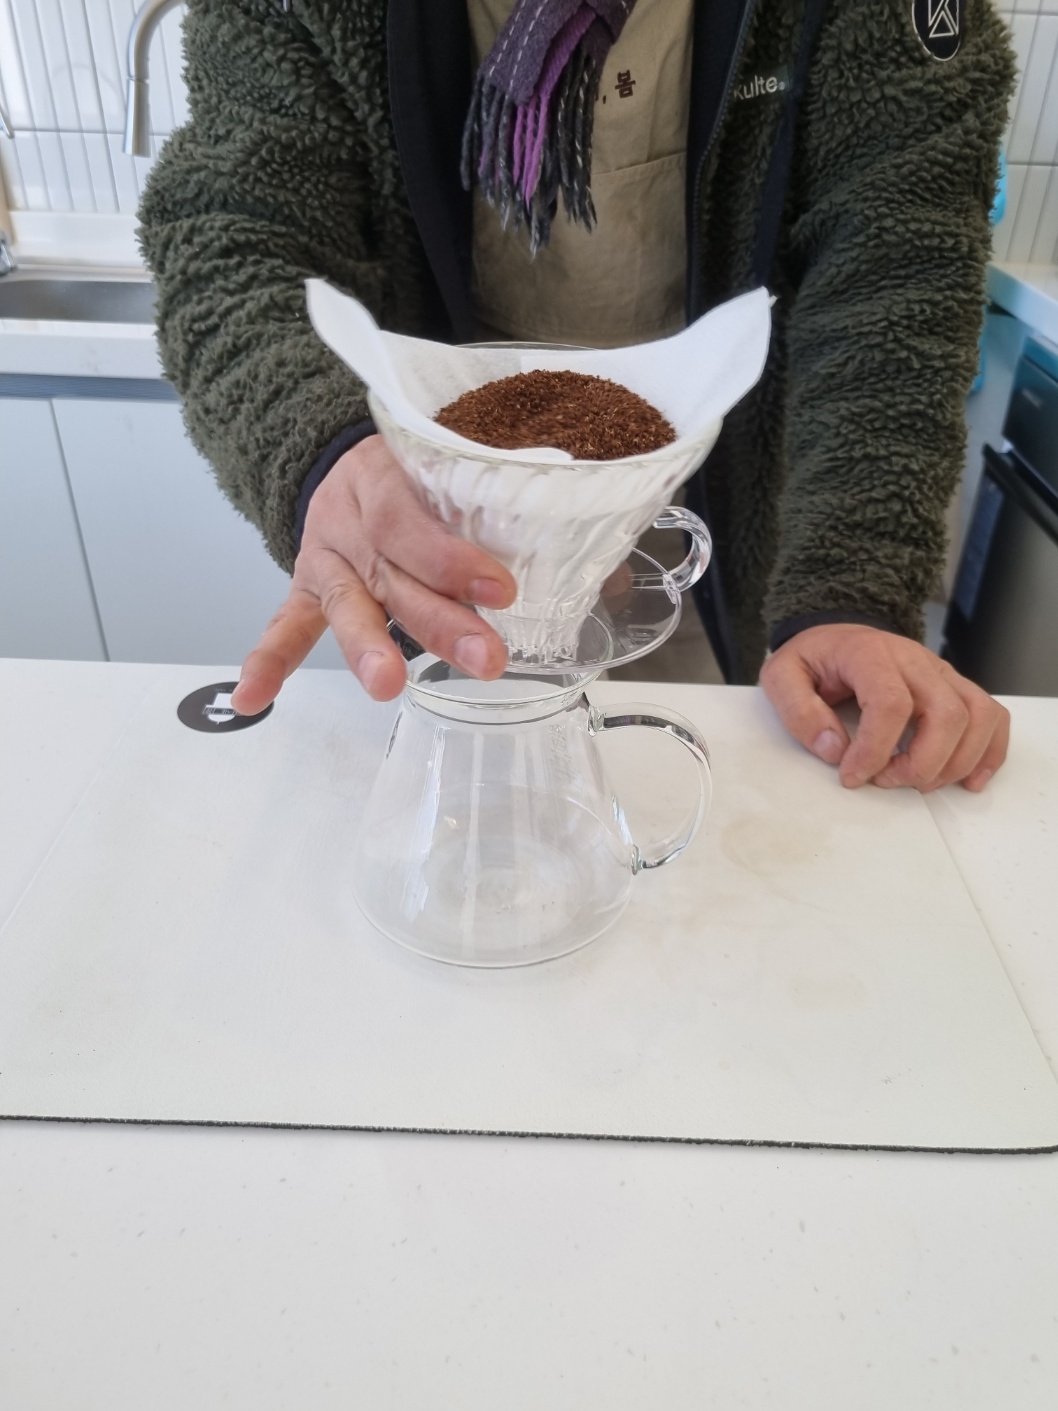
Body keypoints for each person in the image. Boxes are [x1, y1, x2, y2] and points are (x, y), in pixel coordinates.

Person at [139, 0, 1015, 793]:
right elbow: (236, 235)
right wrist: (323, 453)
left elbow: (894, 262)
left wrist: (851, 591)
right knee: (465, 812)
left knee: (686, 821)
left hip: (718, 547)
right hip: (442, 548)